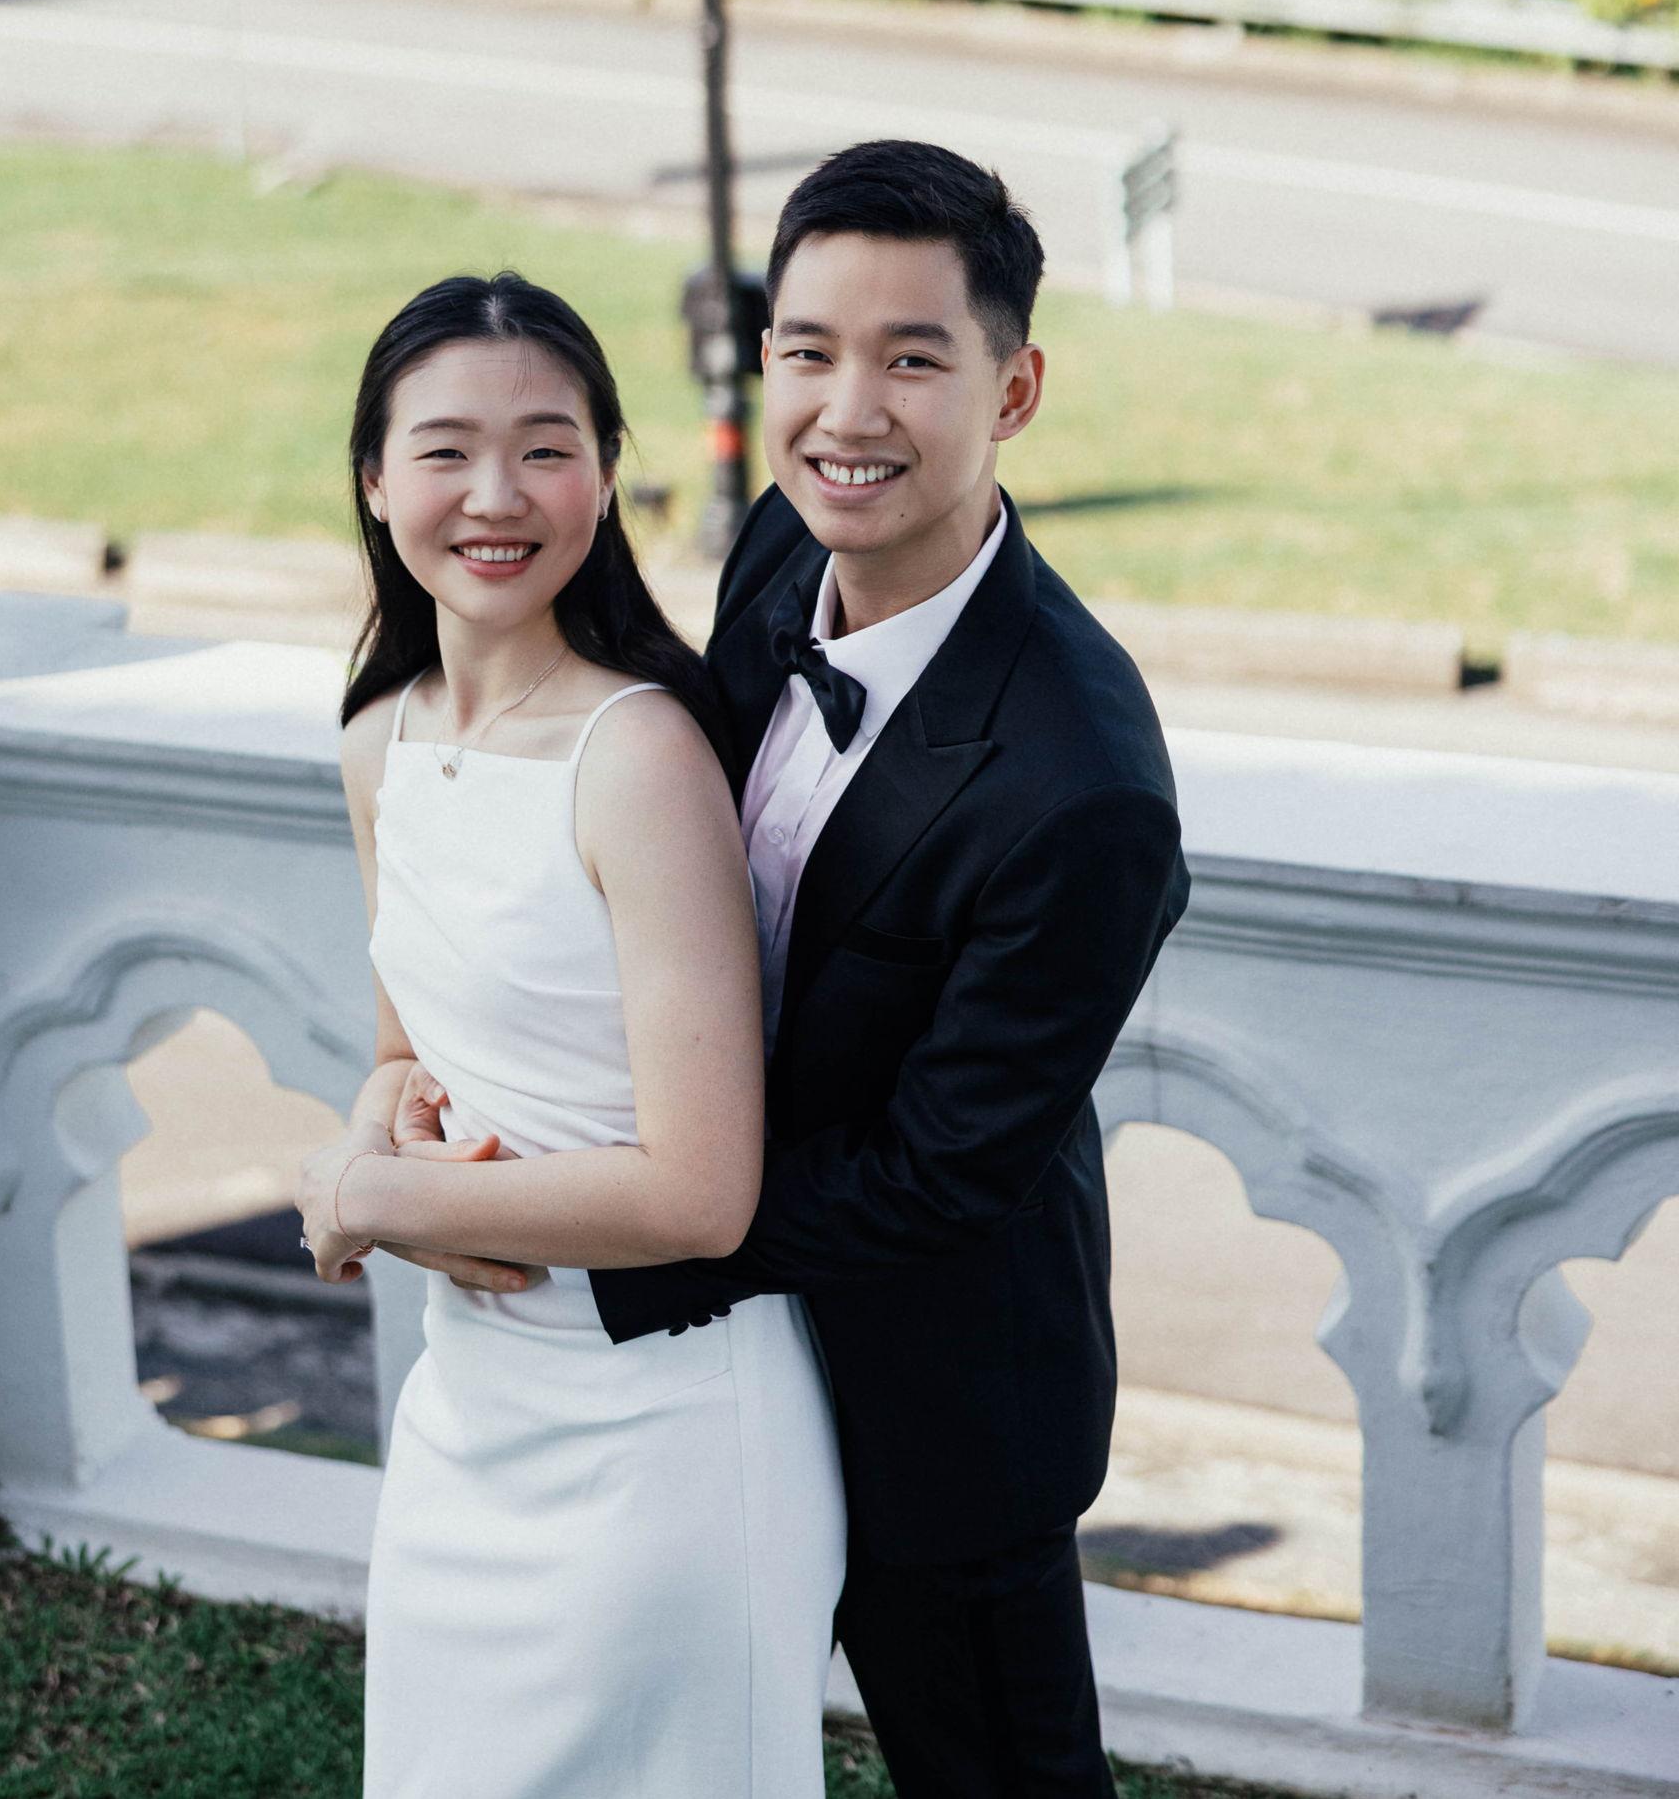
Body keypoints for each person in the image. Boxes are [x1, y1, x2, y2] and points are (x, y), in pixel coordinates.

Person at [368, 141, 1193, 1797]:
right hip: (684, 1377)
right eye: (810, 351)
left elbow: (937, 1174)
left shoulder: (1085, 784)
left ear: (1015, 389)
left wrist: (591, 1230)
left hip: (935, 1392)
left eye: (912, 359)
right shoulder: (775, 543)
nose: (847, 412)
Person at [294, 272, 844, 1799]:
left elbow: (701, 1192)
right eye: (446, 450)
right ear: (374, 478)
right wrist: (371, 1142)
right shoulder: (380, 739)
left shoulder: (640, 754)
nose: (496, 495)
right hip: (470, 1408)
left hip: (664, 1432)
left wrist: (376, 1197)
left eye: (546, 448)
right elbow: (405, 1050)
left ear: (605, 476)